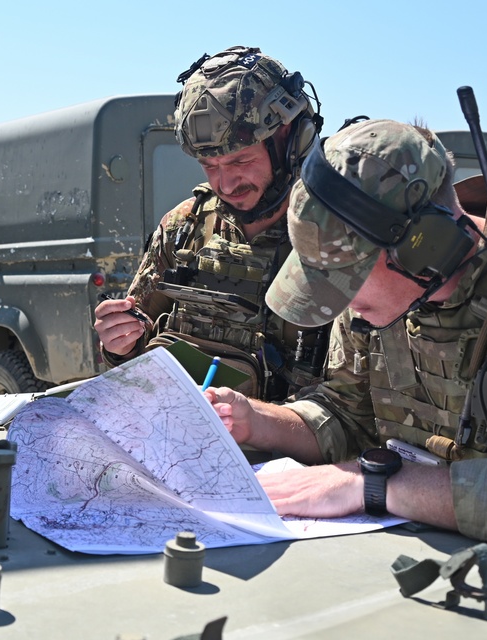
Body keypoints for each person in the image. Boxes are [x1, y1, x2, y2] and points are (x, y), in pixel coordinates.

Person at [207, 118, 487, 552]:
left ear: (425, 245)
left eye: (346, 278)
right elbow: (349, 413)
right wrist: (258, 423)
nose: (339, 303)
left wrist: (377, 486)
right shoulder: (381, 301)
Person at [94, 46, 326, 401]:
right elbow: (135, 345)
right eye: (210, 166)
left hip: (295, 452)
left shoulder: (334, 236)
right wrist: (118, 344)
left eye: (241, 161)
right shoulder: (183, 227)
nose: (226, 184)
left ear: (292, 140)